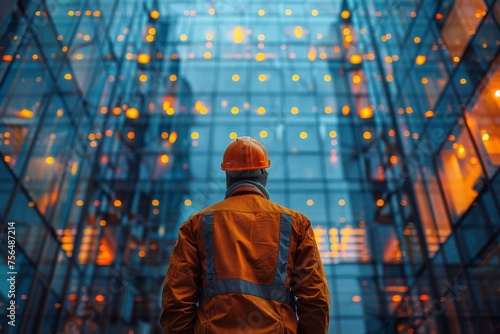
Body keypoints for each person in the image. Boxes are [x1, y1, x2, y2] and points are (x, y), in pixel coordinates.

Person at [160, 136, 330, 333]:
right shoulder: (296, 224)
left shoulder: (196, 224)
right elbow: (315, 299)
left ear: (228, 177)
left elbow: (176, 302)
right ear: (264, 176)